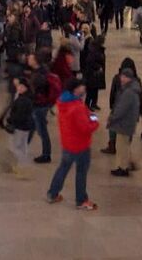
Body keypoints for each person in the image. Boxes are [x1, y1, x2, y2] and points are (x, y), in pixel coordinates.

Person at [45, 78, 99, 210]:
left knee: (63, 168)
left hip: (67, 143)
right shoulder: (77, 107)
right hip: (80, 145)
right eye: (82, 86)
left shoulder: (64, 102)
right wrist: (95, 120)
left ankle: (52, 193)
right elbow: (86, 127)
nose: (84, 88)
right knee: (81, 172)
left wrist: (89, 115)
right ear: (75, 89)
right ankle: (81, 200)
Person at [108, 67, 142, 177]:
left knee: (122, 147)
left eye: (124, 77)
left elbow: (121, 109)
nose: (121, 79)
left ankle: (123, 168)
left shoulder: (129, 92)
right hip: (127, 123)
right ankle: (125, 165)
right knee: (124, 146)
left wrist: (112, 118)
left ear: (129, 78)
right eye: (121, 76)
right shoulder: (132, 89)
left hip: (124, 124)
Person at [6, 76, 34, 177]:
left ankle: (24, 165)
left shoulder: (22, 100)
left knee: (15, 147)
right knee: (23, 146)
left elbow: (18, 115)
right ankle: (21, 166)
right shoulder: (27, 98)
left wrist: (11, 120)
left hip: (20, 126)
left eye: (22, 86)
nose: (19, 88)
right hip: (27, 126)